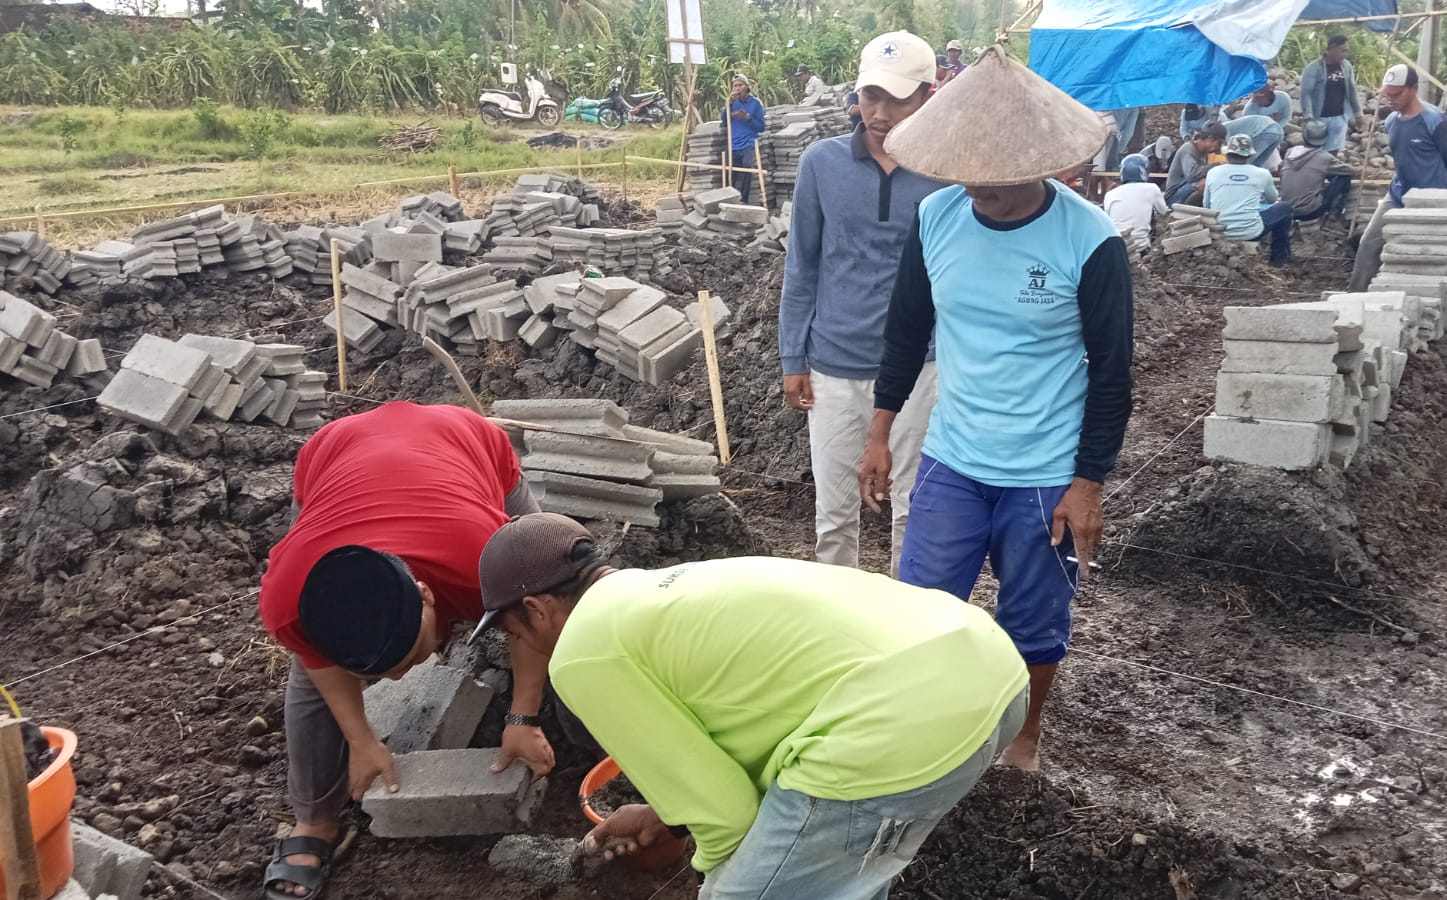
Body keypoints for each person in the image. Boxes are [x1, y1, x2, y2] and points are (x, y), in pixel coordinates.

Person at [476, 514, 1029, 899]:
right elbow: (758, 716)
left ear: (536, 608)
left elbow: (727, 817)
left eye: (511, 630)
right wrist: (670, 816)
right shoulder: (661, 595)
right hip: (990, 673)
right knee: (832, 874)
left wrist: (710, 870)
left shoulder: (580, 653)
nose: (522, 644)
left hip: (900, 726)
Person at [863, 49, 1135, 772]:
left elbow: (1112, 373)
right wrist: (882, 428)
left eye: (996, 174)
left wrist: (1088, 484)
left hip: (1046, 470)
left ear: (1042, 163)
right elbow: (905, 331)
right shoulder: (937, 219)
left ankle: (1024, 731)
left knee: (1034, 619)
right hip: (955, 456)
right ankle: (928, 729)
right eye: (967, 171)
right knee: (921, 609)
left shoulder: (1090, 241)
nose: (980, 188)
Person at [256, 403, 549, 900]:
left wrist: (522, 718)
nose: (394, 683)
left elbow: (530, 626)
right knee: (307, 681)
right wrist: (362, 739)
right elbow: (317, 661)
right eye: (379, 674)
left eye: (411, 659)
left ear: (427, 594)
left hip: (462, 441)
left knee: (552, 579)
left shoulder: (487, 556)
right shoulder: (290, 597)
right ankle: (315, 821)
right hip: (335, 452)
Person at [779, 30, 945, 574]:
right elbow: (802, 264)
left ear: (928, 93)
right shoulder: (821, 163)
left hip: (920, 365)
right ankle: (839, 627)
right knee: (834, 514)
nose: (879, 111)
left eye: (896, 98)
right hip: (834, 364)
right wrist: (793, 359)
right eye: (870, 95)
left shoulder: (946, 174)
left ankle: (907, 626)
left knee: (914, 507)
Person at [1349, 64, 1447, 291]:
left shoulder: (1434, 121)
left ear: (1413, 88)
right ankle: (1355, 295)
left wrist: (1439, 190)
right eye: (1387, 94)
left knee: (1424, 253)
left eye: (1396, 94)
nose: (1391, 99)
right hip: (1398, 193)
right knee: (1369, 244)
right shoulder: (1391, 121)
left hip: (1430, 198)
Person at [1205, 134, 1295, 266]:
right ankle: (1278, 261)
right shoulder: (1262, 174)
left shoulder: (1213, 172)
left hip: (1219, 231)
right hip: (1251, 232)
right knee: (1284, 208)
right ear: (1249, 156)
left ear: (1228, 154)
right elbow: (1272, 199)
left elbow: (1206, 205)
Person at [1280, 118, 1357, 223]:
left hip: (1286, 210)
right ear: (1324, 138)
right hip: (1310, 212)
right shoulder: (1324, 157)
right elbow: (1350, 171)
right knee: (1344, 177)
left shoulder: (1290, 152)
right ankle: (1335, 216)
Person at [1300, 34, 1365, 152]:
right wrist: (1308, 117)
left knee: (1334, 152)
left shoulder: (1346, 66)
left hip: (1340, 117)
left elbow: (1351, 90)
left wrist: (1358, 113)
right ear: (1331, 48)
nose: (1345, 54)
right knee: (1315, 152)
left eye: (1346, 51)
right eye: (1342, 50)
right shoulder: (1313, 68)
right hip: (1319, 118)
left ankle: (1329, 170)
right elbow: (1306, 94)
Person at [1103, 153, 1169, 252]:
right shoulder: (1152, 188)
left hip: (1115, 249)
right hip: (1141, 248)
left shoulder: (1110, 194)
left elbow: (1107, 219)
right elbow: (1164, 212)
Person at [720, 73, 766, 204]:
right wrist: (728, 105)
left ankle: (743, 200)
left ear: (747, 87)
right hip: (733, 144)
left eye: (740, 85)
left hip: (748, 143)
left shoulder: (755, 103)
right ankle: (730, 200)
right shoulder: (732, 102)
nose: (737, 88)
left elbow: (761, 127)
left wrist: (747, 118)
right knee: (732, 172)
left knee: (747, 168)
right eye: (734, 86)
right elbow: (724, 121)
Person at [1165, 123, 1226, 206]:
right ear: (1210, 139)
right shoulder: (1188, 149)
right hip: (1173, 197)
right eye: (1219, 144)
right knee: (1205, 183)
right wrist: (1217, 165)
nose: (1219, 148)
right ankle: (1184, 211)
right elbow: (1192, 175)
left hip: (1187, 190)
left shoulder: (1205, 153)